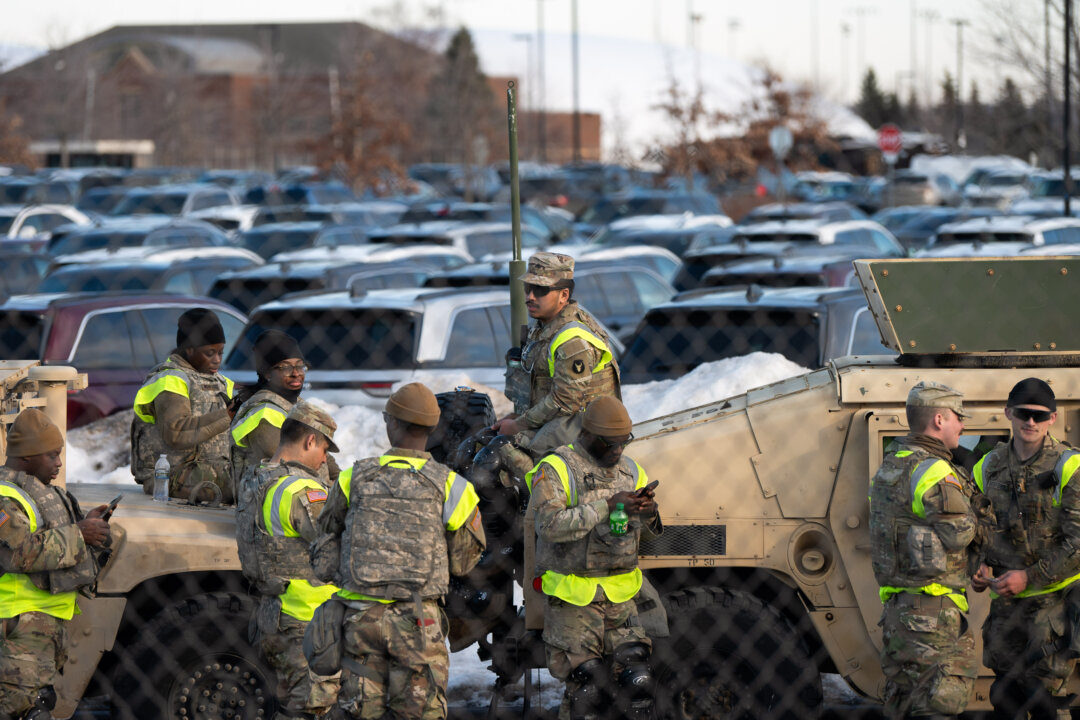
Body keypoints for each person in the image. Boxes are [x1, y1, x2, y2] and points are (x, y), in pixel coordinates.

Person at [315, 382, 486, 719]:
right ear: (433, 428)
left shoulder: (353, 478)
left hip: (361, 618)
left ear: (390, 422)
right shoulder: (453, 487)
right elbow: (464, 561)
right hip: (419, 622)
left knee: (359, 709)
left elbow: (325, 541)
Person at [525, 396, 661, 720]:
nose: (618, 451)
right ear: (588, 434)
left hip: (621, 598)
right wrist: (607, 507)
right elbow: (548, 526)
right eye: (610, 444)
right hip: (573, 599)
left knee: (638, 685)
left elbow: (651, 536)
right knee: (588, 693)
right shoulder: (557, 468)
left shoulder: (631, 471)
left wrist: (650, 513)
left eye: (623, 442)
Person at [868, 380, 981, 720]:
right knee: (937, 708)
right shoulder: (933, 470)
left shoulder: (891, 465)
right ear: (939, 420)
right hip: (933, 615)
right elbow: (959, 533)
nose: (963, 425)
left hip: (898, 613)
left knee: (904, 706)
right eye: (958, 417)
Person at [973, 378, 1080, 719]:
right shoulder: (988, 466)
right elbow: (978, 526)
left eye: (1039, 415)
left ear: (1052, 418)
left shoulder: (1070, 466)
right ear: (1008, 413)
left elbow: (1078, 541)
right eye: (1023, 413)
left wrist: (1030, 577)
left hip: (1053, 609)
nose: (1030, 422)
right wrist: (978, 564)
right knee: (1003, 696)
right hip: (1005, 609)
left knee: (1044, 701)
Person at [0, 409, 110, 720]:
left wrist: (86, 525)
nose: (59, 463)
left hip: (37, 627)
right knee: (19, 712)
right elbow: (18, 554)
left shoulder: (30, 491)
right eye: (52, 455)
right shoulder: (4, 497)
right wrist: (80, 535)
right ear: (27, 457)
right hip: (17, 628)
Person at [236, 400, 342, 720]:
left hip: (271, 617)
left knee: (288, 705)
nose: (325, 458)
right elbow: (339, 544)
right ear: (310, 440)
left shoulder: (255, 479)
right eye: (324, 448)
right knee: (313, 708)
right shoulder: (302, 488)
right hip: (307, 623)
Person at [490, 251, 620, 480]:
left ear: (563, 295)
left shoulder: (572, 340)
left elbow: (565, 401)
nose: (530, 296)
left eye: (540, 290)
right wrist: (513, 417)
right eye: (527, 288)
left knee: (518, 461)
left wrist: (518, 425)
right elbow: (541, 388)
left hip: (583, 431)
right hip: (558, 423)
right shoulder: (544, 327)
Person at [131, 307, 238, 504]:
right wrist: (226, 417)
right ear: (189, 349)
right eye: (209, 353)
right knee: (249, 493)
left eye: (221, 352)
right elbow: (177, 433)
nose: (217, 360)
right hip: (172, 476)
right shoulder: (170, 379)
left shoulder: (221, 382)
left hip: (211, 472)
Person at [231, 330, 338, 486]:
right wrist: (332, 488)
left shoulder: (296, 405)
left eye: (300, 366)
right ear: (267, 374)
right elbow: (293, 465)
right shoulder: (263, 412)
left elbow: (325, 454)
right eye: (286, 368)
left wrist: (341, 483)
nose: (296, 374)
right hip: (275, 497)